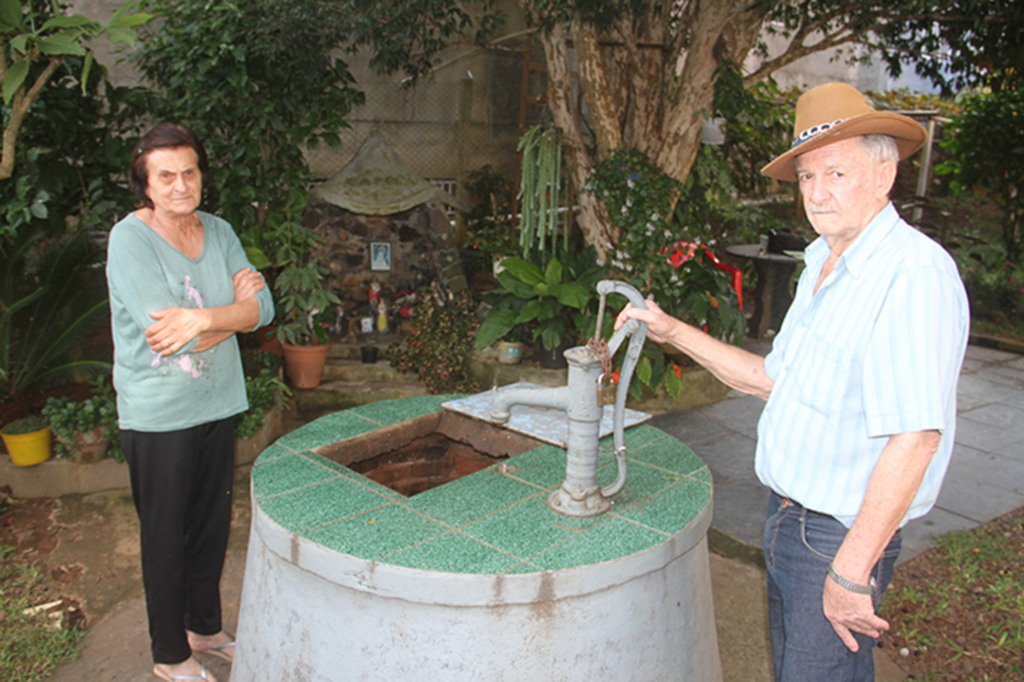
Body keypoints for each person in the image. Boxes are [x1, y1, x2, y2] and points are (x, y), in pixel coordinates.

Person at [616, 82, 969, 681]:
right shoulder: (823, 264)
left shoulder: (911, 274)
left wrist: (852, 570)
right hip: (787, 521)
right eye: (807, 177)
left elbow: (916, 438)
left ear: (884, 177)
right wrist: (672, 331)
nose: (817, 193)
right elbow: (770, 381)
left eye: (837, 172)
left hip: (837, 538)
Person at [106, 123, 275, 682]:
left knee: (210, 525)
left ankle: (203, 627)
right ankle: (169, 654)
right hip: (159, 412)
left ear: (201, 174)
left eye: (190, 171)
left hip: (217, 400)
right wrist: (232, 311)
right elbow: (165, 333)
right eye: (166, 175)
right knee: (165, 534)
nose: (181, 184)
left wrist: (204, 319)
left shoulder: (221, 231)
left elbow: (265, 309)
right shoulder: (130, 239)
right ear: (146, 185)